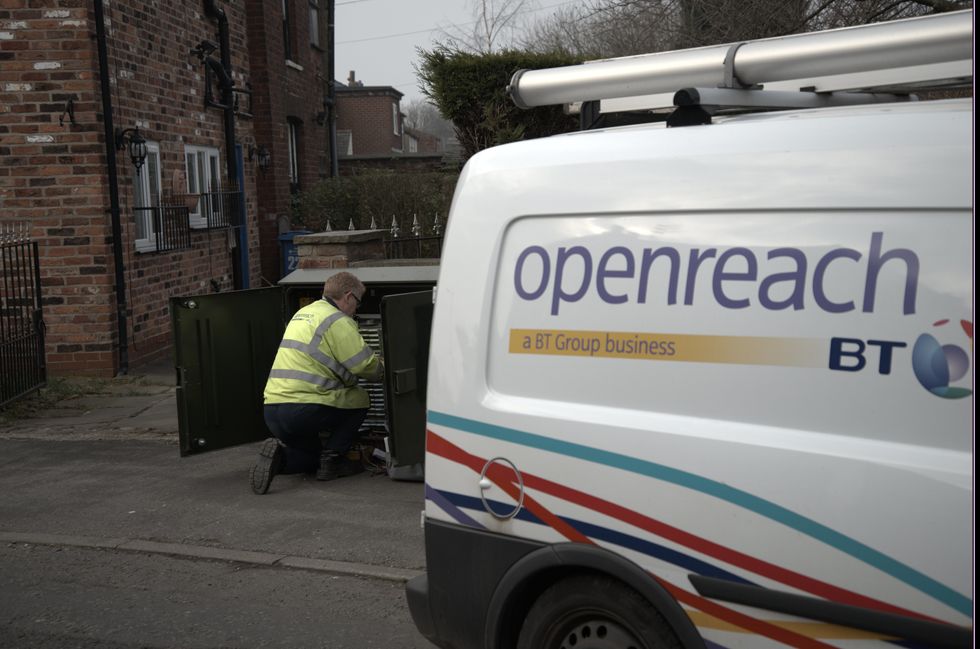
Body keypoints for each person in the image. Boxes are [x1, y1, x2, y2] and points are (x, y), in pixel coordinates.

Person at [251, 271, 383, 494]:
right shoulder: (337, 320)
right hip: (304, 409)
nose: (356, 309)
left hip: (273, 410)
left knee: (310, 458)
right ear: (349, 296)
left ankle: (279, 459)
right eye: (358, 303)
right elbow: (364, 366)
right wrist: (384, 367)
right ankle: (332, 460)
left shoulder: (303, 313)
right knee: (359, 399)